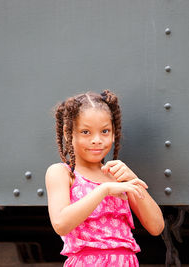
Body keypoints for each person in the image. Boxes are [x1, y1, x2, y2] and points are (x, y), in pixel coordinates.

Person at [45, 90, 164, 266]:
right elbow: (61, 224)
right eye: (85, 132)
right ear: (67, 133)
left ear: (114, 132)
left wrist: (132, 180)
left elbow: (156, 227)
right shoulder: (62, 173)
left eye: (105, 131)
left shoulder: (116, 175)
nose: (96, 140)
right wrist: (104, 190)